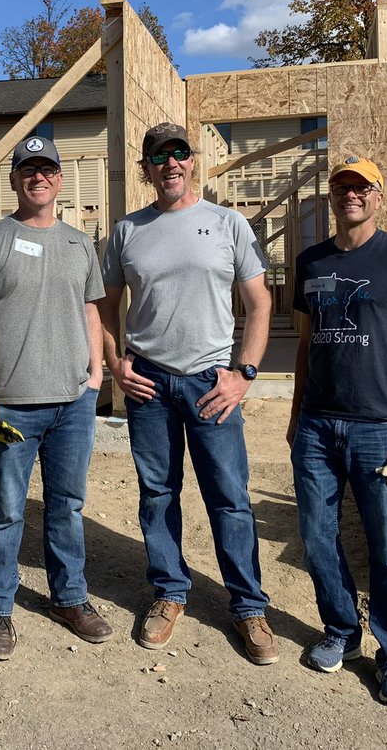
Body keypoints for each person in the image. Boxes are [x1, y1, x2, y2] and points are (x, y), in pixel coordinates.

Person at [98, 122, 277, 665]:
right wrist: (114, 365)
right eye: (159, 155)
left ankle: (248, 606)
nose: (171, 163)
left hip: (210, 383)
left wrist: (242, 375)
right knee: (158, 494)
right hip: (149, 382)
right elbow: (105, 307)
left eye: (180, 153)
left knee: (230, 498)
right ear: (146, 168)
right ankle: (169, 594)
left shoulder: (227, 224)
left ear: (192, 162)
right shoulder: (127, 231)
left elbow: (260, 305)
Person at [287, 155, 387, 709]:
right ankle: (342, 631)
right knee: (318, 536)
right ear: (331, 198)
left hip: (380, 426)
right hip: (320, 427)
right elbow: (305, 343)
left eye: (360, 187)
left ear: (378, 196)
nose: (350, 194)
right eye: (341, 187)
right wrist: (297, 414)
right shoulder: (311, 261)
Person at [0, 135, 110, 661]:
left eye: (47, 169)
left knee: (66, 506)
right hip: (12, 405)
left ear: (60, 179)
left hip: (73, 403)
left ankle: (69, 598)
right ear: (15, 178)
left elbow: (92, 310)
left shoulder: (79, 244)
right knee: (4, 510)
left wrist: (95, 375)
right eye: (28, 169)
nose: (37, 177)